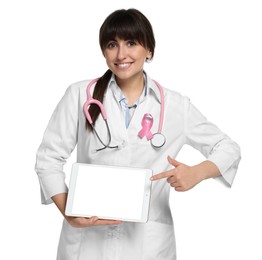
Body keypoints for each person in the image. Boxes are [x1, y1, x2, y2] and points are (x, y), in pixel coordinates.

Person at [35, 8, 241, 260]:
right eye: (112, 44)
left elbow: (228, 148)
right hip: (87, 245)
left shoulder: (176, 106)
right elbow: (48, 159)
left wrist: (197, 172)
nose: (121, 54)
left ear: (149, 50)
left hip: (147, 245)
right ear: (104, 51)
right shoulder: (79, 95)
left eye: (131, 43)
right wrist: (68, 212)